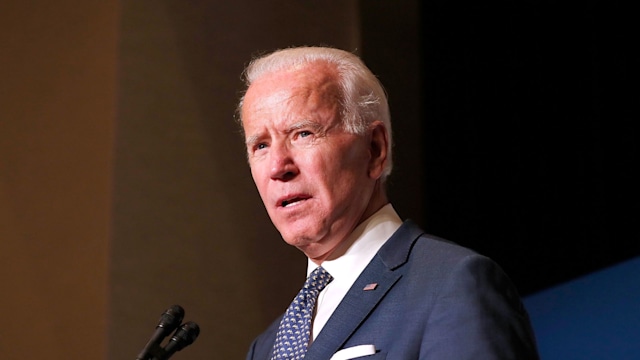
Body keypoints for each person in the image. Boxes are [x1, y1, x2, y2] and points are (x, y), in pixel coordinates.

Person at [238, 46, 539, 360]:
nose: (277, 167)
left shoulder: (453, 285)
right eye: (260, 145)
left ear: (375, 149)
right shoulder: (265, 348)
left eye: (303, 133)